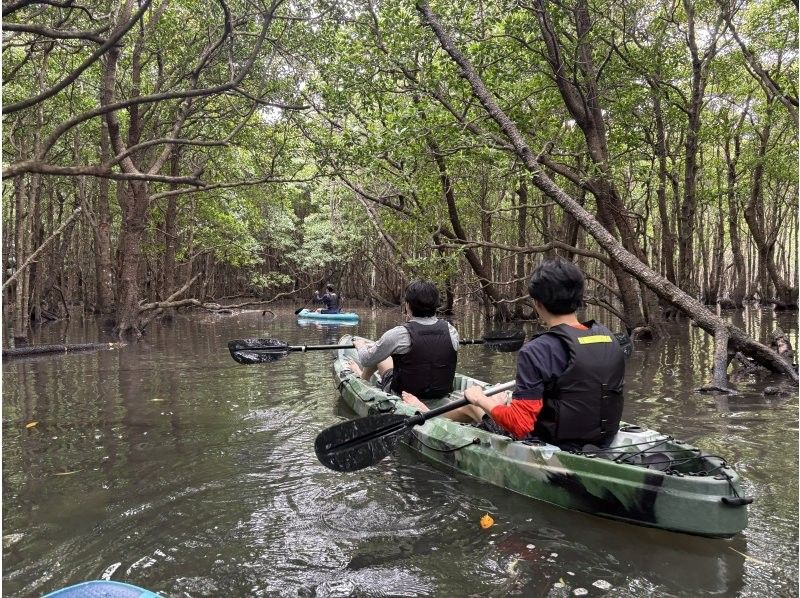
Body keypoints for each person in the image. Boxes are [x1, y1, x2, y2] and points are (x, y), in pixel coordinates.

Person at [402, 258, 625, 449]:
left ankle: (424, 413)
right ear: (578, 298)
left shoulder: (537, 350)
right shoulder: (607, 337)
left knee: (471, 401)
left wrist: (480, 399)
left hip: (544, 442)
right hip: (601, 437)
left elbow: (520, 426)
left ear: (537, 303)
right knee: (498, 399)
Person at [347, 280, 459, 404]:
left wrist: (361, 346)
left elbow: (366, 360)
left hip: (404, 397)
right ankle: (364, 375)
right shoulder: (451, 331)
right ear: (436, 305)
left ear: (408, 305)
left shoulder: (398, 334)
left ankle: (363, 378)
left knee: (376, 355)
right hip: (440, 394)